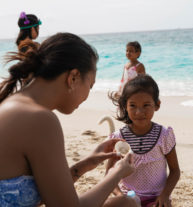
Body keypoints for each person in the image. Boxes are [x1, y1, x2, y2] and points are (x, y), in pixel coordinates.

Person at [0, 32, 139, 207]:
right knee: (126, 204)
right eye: (90, 85)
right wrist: (116, 174)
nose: (88, 94)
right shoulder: (39, 119)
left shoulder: (14, 104)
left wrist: (85, 164)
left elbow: (46, 194)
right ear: (73, 78)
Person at [107, 74, 181, 207]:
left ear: (157, 105)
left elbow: (175, 171)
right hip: (129, 197)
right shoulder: (118, 138)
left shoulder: (163, 135)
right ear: (125, 106)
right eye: (133, 105)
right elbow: (108, 173)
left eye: (146, 105)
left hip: (156, 198)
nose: (139, 112)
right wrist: (120, 196)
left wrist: (164, 195)